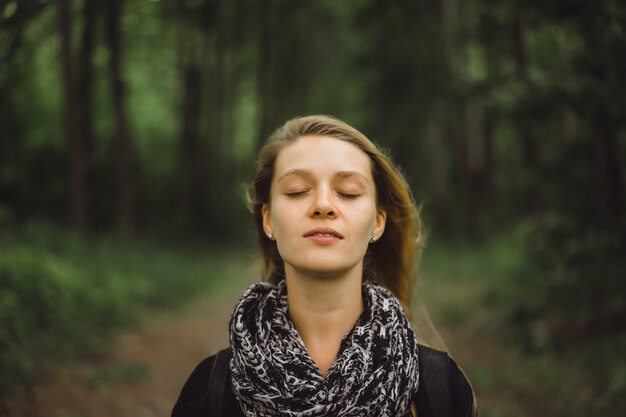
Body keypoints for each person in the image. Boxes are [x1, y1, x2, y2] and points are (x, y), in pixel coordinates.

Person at [172, 115, 476, 417]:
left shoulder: (440, 388)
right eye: (296, 190)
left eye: (348, 192)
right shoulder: (209, 390)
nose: (323, 205)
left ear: (378, 223)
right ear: (268, 219)